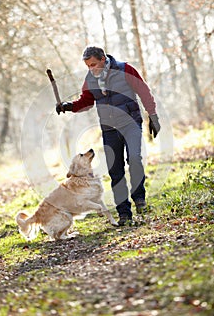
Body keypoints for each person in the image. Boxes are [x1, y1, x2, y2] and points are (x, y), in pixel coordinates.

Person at [56, 46, 160, 226]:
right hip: (109, 129)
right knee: (115, 169)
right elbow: (86, 101)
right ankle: (124, 213)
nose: (91, 69)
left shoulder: (125, 69)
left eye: (94, 64)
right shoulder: (90, 79)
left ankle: (139, 199)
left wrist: (153, 116)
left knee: (135, 158)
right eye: (88, 66)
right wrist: (68, 106)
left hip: (130, 124)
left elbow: (143, 91)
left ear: (103, 59)